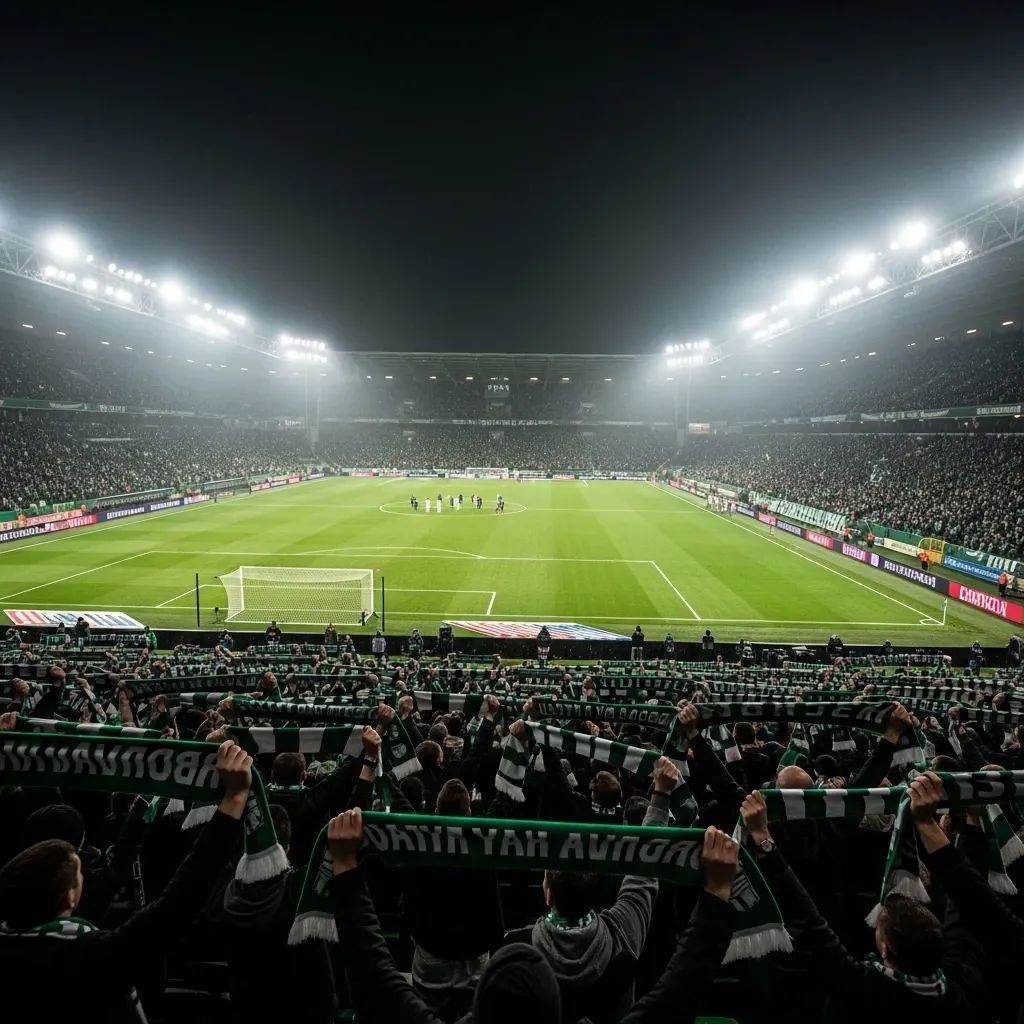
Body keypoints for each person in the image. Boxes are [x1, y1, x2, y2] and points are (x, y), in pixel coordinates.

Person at [0, 741, 254, 1024]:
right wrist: (235, 797)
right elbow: (179, 902)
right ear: (70, 898)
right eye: (81, 873)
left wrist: (8, 746)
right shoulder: (90, 958)